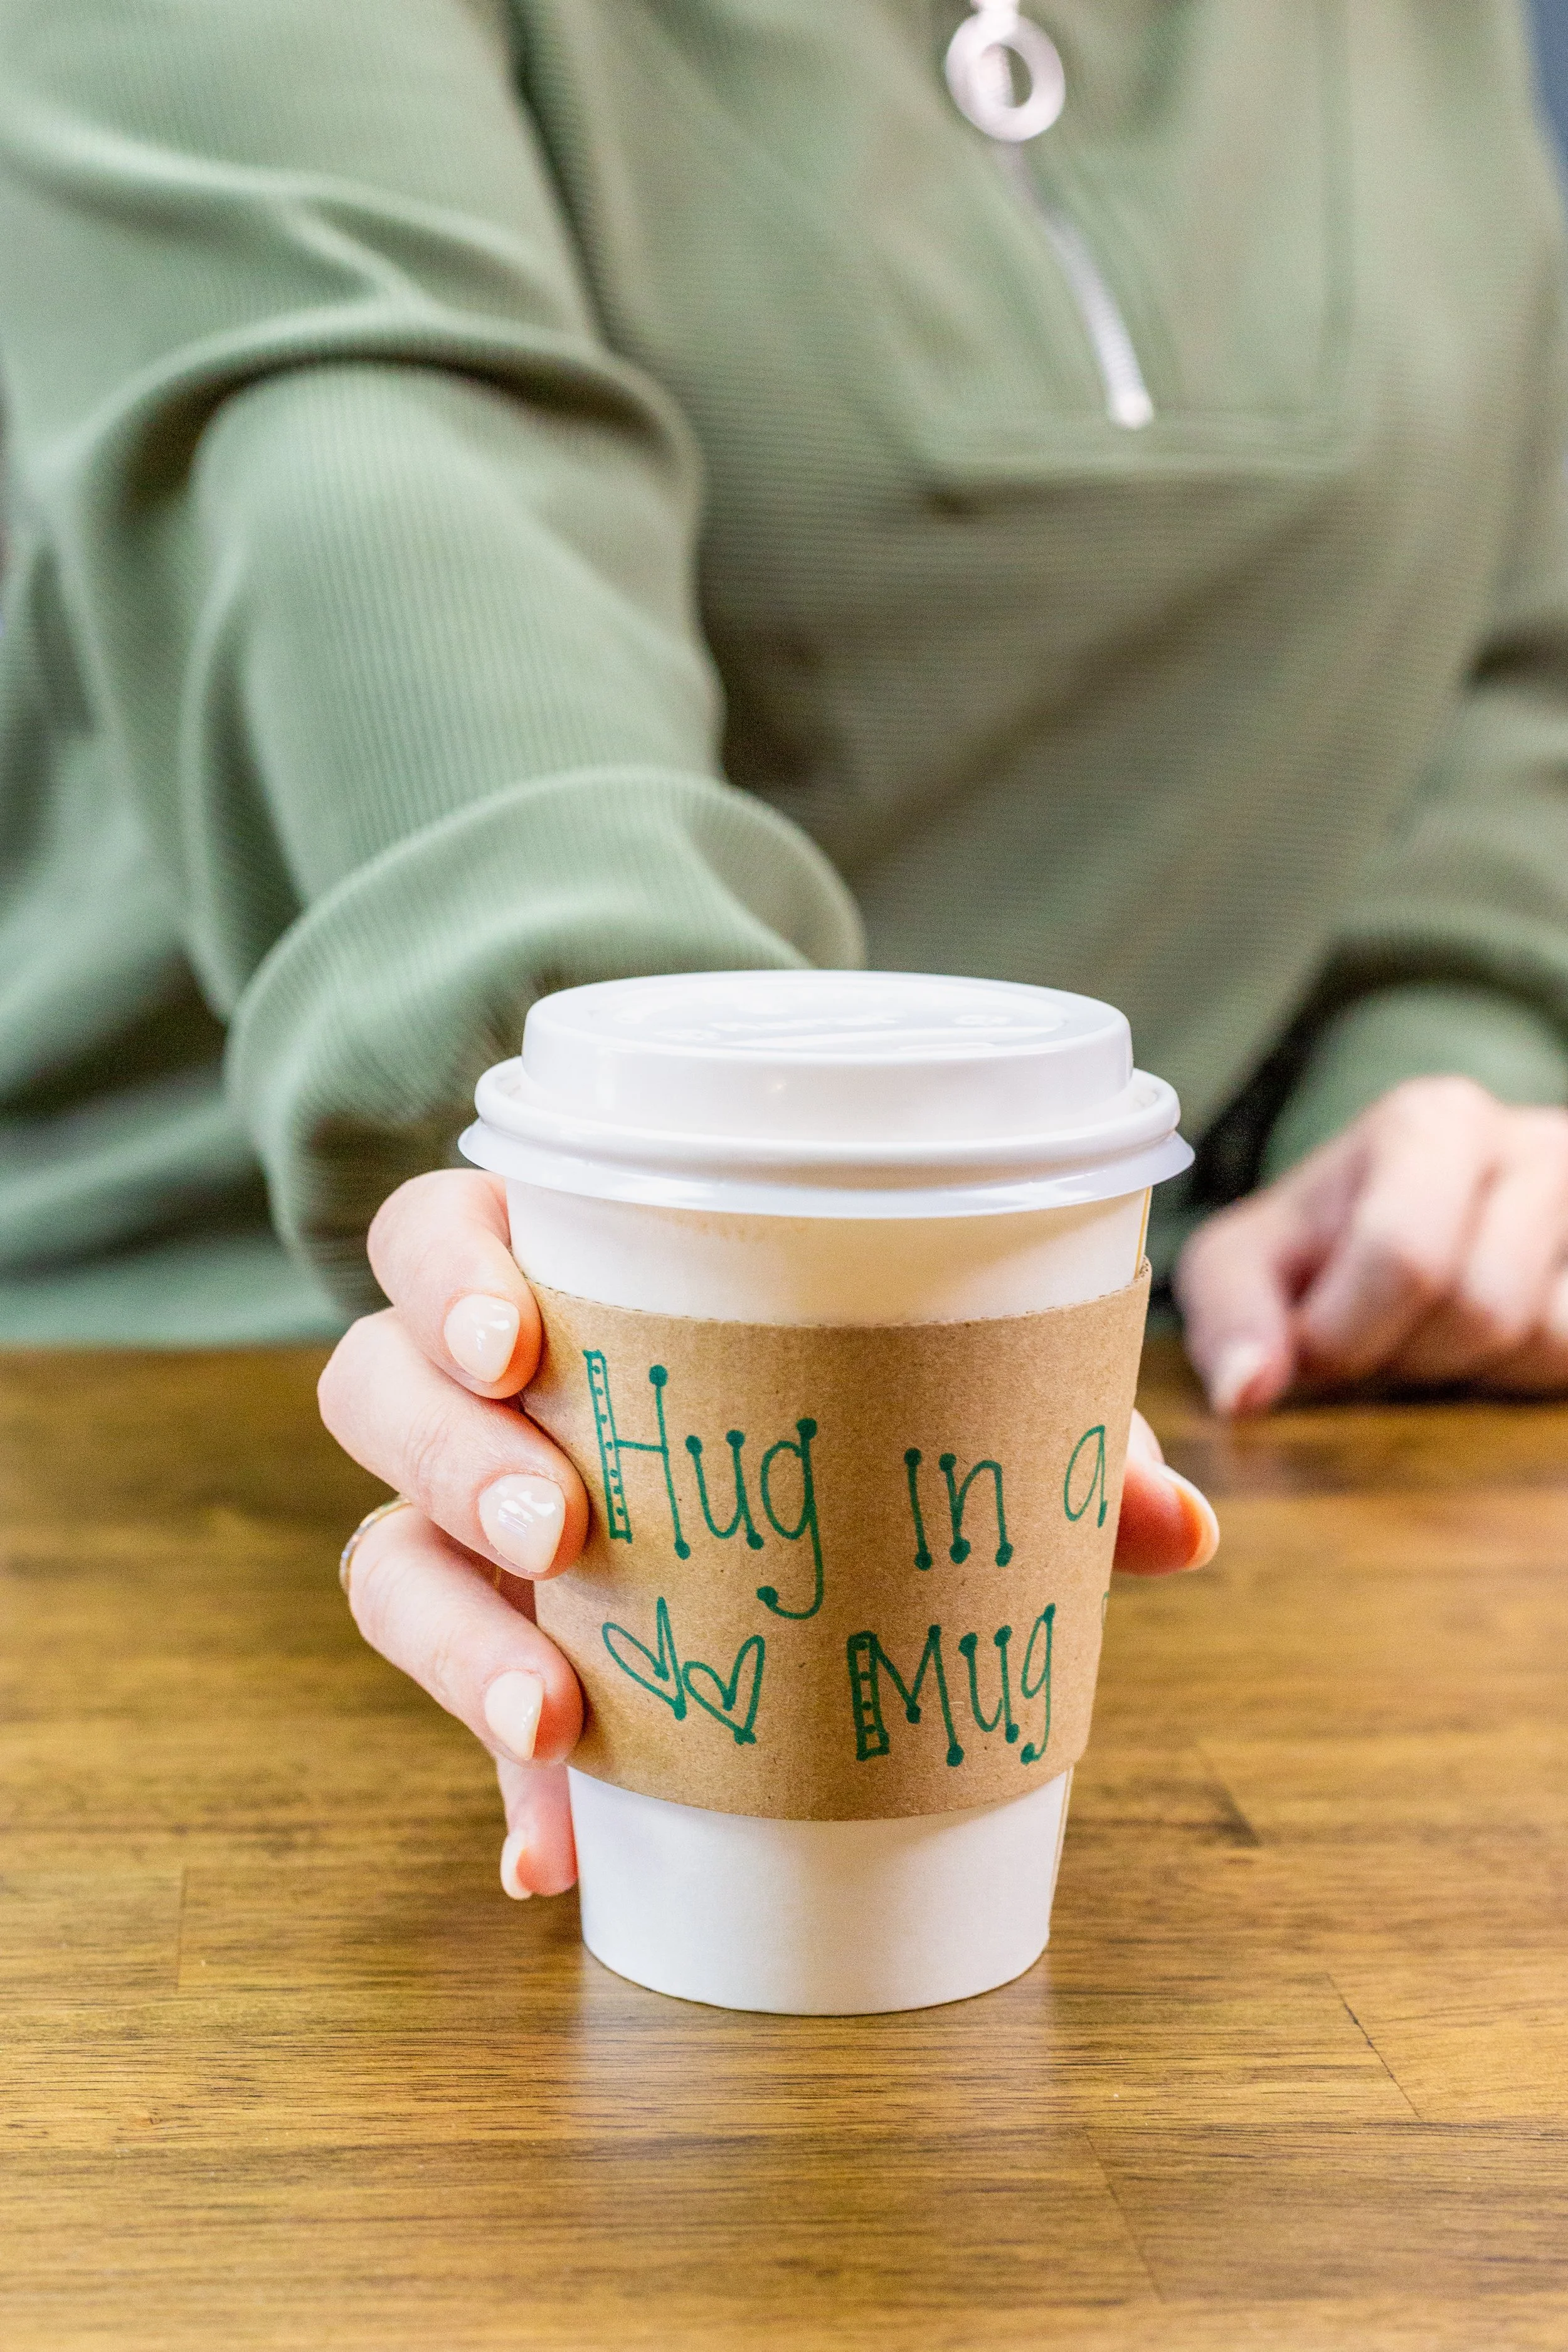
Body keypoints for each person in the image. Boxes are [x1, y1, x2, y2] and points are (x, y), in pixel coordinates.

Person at [4, 4, 1568, 1895]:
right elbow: (365, 489)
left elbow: (1505, 599)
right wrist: (654, 1244)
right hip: (267, 1432)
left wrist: (1452, 1051)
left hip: (1130, 1441)